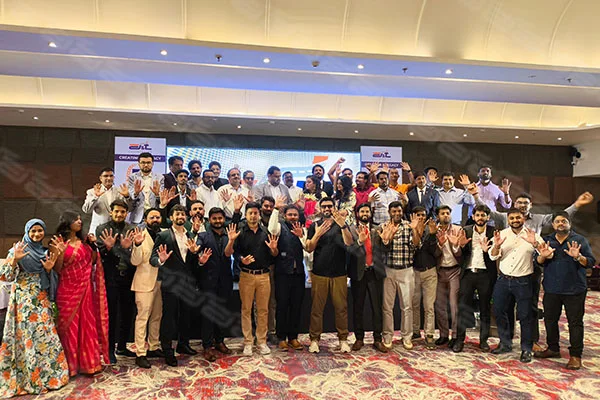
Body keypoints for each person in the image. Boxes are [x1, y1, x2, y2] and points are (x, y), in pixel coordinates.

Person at [0, 219, 69, 397]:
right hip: (23, 301)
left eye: (40, 231)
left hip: (41, 299)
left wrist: (49, 269)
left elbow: (52, 277)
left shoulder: (45, 253)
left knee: (45, 336)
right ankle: (28, 378)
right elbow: (5, 276)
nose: (37, 234)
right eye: (33, 231)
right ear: (27, 232)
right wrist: (14, 260)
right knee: (27, 336)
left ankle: (48, 376)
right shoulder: (18, 250)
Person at [534, 212, 595, 370]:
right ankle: (553, 348)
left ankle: (575, 355)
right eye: (557, 221)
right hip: (551, 289)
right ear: (553, 225)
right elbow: (537, 262)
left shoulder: (579, 240)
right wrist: (543, 256)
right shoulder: (547, 240)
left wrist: (578, 257)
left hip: (574, 290)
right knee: (550, 320)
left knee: (575, 323)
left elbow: (590, 262)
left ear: (569, 224)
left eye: (564, 221)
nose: (560, 223)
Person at [54, 211, 110, 375]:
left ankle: (89, 363)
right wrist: (60, 252)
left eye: (79, 219)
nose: (79, 221)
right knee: (69, 327)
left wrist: (93, 246)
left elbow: (92, 262)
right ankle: (70, 366)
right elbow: (57, 269)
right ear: (67, 222)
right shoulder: (58, 242)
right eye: (75, 219)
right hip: (67, 289)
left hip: (85, 289)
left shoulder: (84, 242)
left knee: (87, 324)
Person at [489, 209, 543, 363]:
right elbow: (492, 256)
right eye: (512, 218)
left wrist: (535, 243)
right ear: (508, 220)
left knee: (525, 315)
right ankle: (505, 343)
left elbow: (546, 254)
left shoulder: (533, 235)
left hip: (524, 281)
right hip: (503, 280)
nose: (515, 220)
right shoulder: (502, 234)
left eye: (518, 217)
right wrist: (497, 246)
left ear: (523, 218)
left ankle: (526, 348)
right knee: (499, 311)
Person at [226, 202, 279, 356]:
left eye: (256, 213)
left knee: (263, 310)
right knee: (246, 310)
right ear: (246, 215)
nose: (253, 216)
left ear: (259, 214)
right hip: (246, 275)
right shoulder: (240, 232)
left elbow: (274, 255)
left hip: (264, 276)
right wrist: (241, 259)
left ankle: (261, 341)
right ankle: (248, 342)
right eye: (250, 213)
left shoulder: (266, 232)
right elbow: (234, 253)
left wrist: (274, 249)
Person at [150, 205, 200, 367]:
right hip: (170, 283)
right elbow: (152, 258)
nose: (180, 216)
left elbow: (192, 262)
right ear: (171, 217)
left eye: (183, 214)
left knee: (186, 315)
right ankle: (167, 350)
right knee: (169, 318)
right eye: (177, 214)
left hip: (188, 283)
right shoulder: (163, 235)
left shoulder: (191, 235)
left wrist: (195, 255)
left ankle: (183, 344)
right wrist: (161, 260)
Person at [306, 197, 354, 353]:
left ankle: (343, 339)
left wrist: (343, 225)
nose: (327, 209)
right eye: (324, 206)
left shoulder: (342, 224)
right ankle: (314, 340)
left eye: (330, 206)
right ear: (320, 209)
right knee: (316, 309)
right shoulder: (314, 225)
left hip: (339, 273)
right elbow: (309, 248)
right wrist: (317, 234)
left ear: (334, 208)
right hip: (319, 273)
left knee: (341, 308)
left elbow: (349, 243)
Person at [195, 207, 240, 361]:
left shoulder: (229, 236)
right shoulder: (203, 235)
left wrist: (232, 240)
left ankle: (219, 341)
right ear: (210, 220)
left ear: (224, 219)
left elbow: (229, 254)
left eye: (220, 218)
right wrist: (198, 255)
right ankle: (207, 346)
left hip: (225, 280)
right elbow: (197, 249)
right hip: (208, 280)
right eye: (214, 218)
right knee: (208, 314)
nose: (217, 221)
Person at [96, 200, 137, 364]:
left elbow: (135, 253)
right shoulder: (102, 229)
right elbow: (101, 255)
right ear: (111, 212)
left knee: (127, 313)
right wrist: (108, 248)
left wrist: (128, 248)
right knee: (111, 314)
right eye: (116, 211)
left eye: (122, 212)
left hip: (129, 276)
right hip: (110, 277)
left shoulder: (131, 229)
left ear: (126, 213)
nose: (119, 214)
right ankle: (109, 349)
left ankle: (122, 346)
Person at [452, 205, 497, 353]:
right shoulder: (466, 230)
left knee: (485, 308)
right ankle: (459, 340)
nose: (480, 218)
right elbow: (460, 254)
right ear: (473, 216)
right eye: (477, 215)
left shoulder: (493, 232)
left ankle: (483, 340)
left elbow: (496, 254)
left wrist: (487, 251)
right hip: (468, 274)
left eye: (483, 215)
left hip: (486, 274)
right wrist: (460, 246)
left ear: (488, 217)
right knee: (463, 308)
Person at [378, 201, 422, 350]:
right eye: (394, 211)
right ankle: (387, 336)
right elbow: (382, 248)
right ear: (389, 212)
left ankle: (407, 336)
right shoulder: (383, 226)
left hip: (406, 270)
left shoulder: (409, 226)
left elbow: (416, 245)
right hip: (388, 270)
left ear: (402, 212)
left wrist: (415, 230)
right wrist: (387, 239)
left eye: (399, 211)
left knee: (407, 306)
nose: (397, 213)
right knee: (387, 307)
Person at [347, 203, 387, 353]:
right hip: (359, 273)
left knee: (377, 308)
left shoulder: (378, 229)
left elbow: (385, 250)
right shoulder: (351, 230)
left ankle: (378, 339)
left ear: (371, 213)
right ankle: (359, 338)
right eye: (362, 211)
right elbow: (349, 250)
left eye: (367, 211)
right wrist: (359, 241)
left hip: (375, 273)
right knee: (358, 307)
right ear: (357, 214)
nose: (365, 213)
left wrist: (386, 240)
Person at [130, 208, 165, 369]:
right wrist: (137, 244)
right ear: (145, 220)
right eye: (152, 217)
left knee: (157, 316)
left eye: (158, 217)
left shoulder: (164, 234)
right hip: (144, 282)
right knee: (142, 318)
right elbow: (135, 262)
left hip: (162, 282)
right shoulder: (140, 235)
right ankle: (140, 353)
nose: (155, 219)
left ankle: (153, 346)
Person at [273, 205, 306, 350]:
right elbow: (272, 230)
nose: (293, 217)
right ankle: (281, 338)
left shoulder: (302, 229)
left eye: (295, 215)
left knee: (296, 306)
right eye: (290, 214)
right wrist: (276, 209)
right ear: (285, 216)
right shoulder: (280, 228)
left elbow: (308, 247)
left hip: (298, 273)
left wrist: (301, 236)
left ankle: (293, 337)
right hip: (283, 273)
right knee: (282, 306)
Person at [433, 205, 464, 347]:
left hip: (454, 270)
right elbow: (432, 254)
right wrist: (439, 245)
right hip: (439, 271)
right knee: (439, 305)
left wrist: (455, 246)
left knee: (454, 305)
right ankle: (443, 334)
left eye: (447, 213)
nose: (446, 215)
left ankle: (456, 335)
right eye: (442, 213)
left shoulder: (458, 230)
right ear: (438, 216)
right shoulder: (434, 231)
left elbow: (461, 253)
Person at [410, 206, 439, 349]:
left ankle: (429, 335)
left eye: (423, 215)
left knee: (429, 306)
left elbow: (434, 252)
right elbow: (411, 251)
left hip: (430, 272)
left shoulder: (431, 229)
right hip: (414, 272)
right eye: (418, 215)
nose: (421, 217)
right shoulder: (409, 229)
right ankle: (415, 331)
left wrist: (432, 235)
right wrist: (416, 231)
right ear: (413, 216)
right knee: (414, 304)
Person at [82, 167, 132, 235]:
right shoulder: (92, 192)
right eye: (106, 176)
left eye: (111, 176)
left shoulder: (121, 191)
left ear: (114, 177)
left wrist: (127, 197)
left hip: (118, 230)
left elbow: (130, 209)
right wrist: (96, 197)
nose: (109, 178)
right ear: (100, 178)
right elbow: (86, 210)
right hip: (98, 230)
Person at [128, 152, 162, 224]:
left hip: (154, 215)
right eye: (143, 162)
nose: (146, 165)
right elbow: (131, 197)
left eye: (148, 162)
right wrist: (136, 194)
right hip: (137, 215)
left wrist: (157, 194)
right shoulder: (132, 177)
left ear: (153, 164)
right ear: (139, 164)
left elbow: (162, 199)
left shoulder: (160, 178)